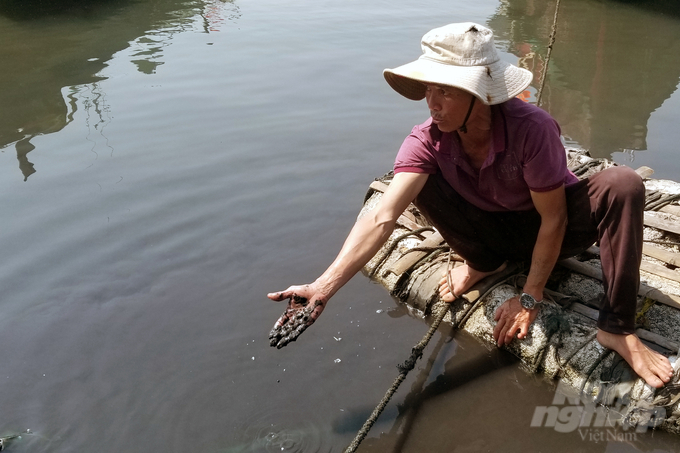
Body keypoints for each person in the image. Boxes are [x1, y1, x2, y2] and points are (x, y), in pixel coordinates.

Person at [268, 22, 674, 388]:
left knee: (623, 183)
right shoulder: (426, 139)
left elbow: (555, 218)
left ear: (478, 93)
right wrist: (322, 288)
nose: (432, 102)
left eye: (444, 90)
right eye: (429, 90)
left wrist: (529, 296)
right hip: (492, 233)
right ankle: (482, 263)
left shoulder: (531, 129)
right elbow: (384, 215)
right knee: (410, 182)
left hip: (554, 227)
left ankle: (617, 328)